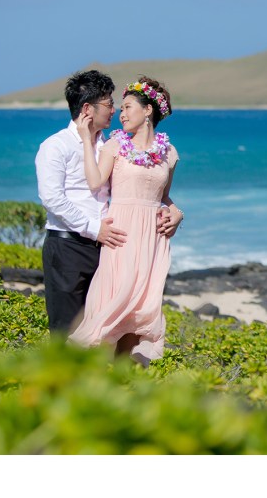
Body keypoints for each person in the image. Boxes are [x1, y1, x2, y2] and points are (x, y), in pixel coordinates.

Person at [68, 76, 182, 366]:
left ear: (147, 111)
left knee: (139, 312)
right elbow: (95, 182)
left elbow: (164, 197)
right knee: (111, 304)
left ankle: (125, 384)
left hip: (152, 242)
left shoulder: (169, 153)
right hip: (121, 235)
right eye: (119, 108)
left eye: (128, 107)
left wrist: (177, 213)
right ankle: (90, 378)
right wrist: (85, 140)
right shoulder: (115, 145)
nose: (121, 113)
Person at [35, 70, 129, 333]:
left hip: (105, 248)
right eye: (109, 104)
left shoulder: (109, 146)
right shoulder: (55, 146)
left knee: (101, 334)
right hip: (68, 249)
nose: (114, 110)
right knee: (66, 334)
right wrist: (93, 228)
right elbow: (52, 199)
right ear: (87, 108)